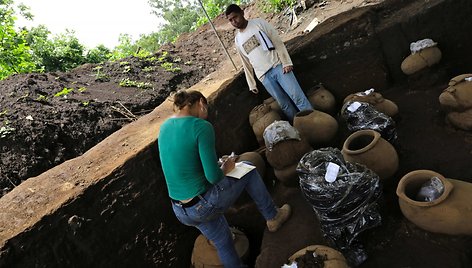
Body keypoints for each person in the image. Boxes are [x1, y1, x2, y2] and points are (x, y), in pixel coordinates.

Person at [158, 90, 291, 268]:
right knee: (249, 171)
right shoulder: (200, 127)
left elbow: (184, 163)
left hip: (181, 209)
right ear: (201, 104)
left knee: (223, 242)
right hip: (203, 204)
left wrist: (217, 164)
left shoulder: (165, 127)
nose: (207, 115)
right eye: (206, 109)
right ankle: (273, 216)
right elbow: (213, 177)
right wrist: (226, 167)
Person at [225, 4, 313, 122]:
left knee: (298, 97)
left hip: (278, 66)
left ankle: (314, 123)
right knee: (284, 105)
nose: (234, 22)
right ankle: (299, 128)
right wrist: (252, 83)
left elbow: (277, 41)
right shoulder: (237, 40)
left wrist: (286, 62)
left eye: (235, 17)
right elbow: (245, 62)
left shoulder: (258, 23)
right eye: (230, 20)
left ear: (242, 12)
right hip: (264, 76)